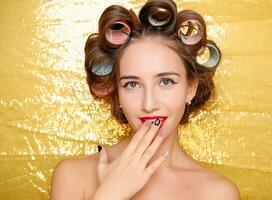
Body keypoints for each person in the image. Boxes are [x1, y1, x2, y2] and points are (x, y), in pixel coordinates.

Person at [50, 0, 240, 199]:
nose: (149, 105)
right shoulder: (73, 176)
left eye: (166, 82)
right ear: (117, 93)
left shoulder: (218, 193)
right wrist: (109, 194)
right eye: (132, 84)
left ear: (190, 88)